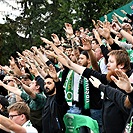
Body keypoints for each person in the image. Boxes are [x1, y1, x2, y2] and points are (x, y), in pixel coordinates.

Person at [60, 48, 133, 133]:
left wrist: (101, 86)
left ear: (121, 65)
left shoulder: (129, 83)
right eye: (108, 62)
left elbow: (124, 103)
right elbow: (90, 73)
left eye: (111, 62)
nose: (107, 65)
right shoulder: (111, 78)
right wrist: (71, 64)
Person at [42, 64, 69, 133]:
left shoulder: (58, 99)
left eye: (49, 83)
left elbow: (60, 92)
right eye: (45, 84)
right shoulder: (48, 98)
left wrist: (56, 80)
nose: (46, 86)